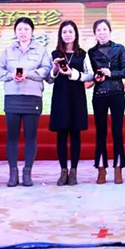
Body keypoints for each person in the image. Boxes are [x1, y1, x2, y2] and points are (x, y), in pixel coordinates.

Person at [0, 17, 52, 187]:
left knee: (30, 136)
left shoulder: (41, 50)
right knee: (12, 136)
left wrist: (29, 74)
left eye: (26, 29)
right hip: (12, 97)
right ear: (15, 32)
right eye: (19, 29)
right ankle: (13, 173)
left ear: (32, 32)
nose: (23, 32)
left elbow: (47, 70)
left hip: (32, 97)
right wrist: (11, 76)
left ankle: (27, 172)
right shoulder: (8, 50)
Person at [48, 20, 93, 186]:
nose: (68, 35)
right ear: (60, 35)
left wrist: (73, 73)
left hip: (76, 96)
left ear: (76, 34)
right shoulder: (55, 54)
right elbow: (49, 78)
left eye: (70, 32)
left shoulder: (82, 54)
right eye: (64, 32)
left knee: (75, 134)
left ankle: (73, 171)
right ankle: (63, 171)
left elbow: (90, 75)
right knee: (61, 134)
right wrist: (55, 70)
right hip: (60, 96)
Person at [88, 19, 125, 184]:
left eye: (104, 29)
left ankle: (118, 168)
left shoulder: (119, 48)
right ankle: (101, 168)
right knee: (101, 132)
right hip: (99, 94)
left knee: (117, 131)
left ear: (110, 31)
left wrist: (111, 73)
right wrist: (96, 77)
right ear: (95, 33)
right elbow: (90, 73)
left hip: (117, 93)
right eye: (98, 30)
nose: (102, 33)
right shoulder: (91, 52)